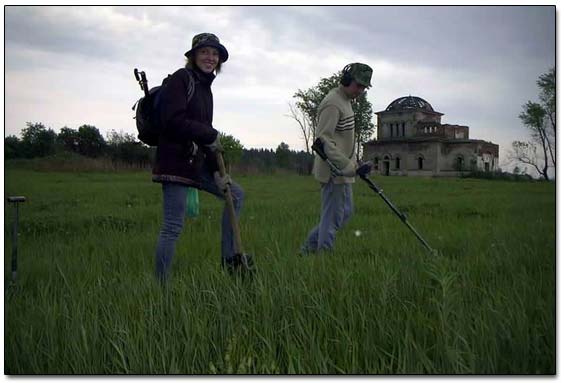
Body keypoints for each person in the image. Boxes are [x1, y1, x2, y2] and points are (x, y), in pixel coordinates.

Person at [152, 32, 249, 281]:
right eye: (205, 52)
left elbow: (204, 137)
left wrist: (218, 174)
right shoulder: (181, 79)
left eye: (215, 54)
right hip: (175, 161)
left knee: (235, 195)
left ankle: (230, 260)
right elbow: (172, 121)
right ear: (193, 55)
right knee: (173, 226)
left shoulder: (206, 89)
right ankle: (160, 285)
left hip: (196, 162)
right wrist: (210, 133)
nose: (210, 57)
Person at [301, 63, 374, 255]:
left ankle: (308, 250)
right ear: (346, 80)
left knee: (344, 213)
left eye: (364, 87)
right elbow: (322, 141)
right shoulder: (333, 103)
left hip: (344, 170)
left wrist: (356, 163)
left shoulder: (346, 101)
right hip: (334, 171)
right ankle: (322, 255)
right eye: (358, 85)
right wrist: (348, 165)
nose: (361, 90)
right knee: (333, 217)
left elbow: (342, 139)